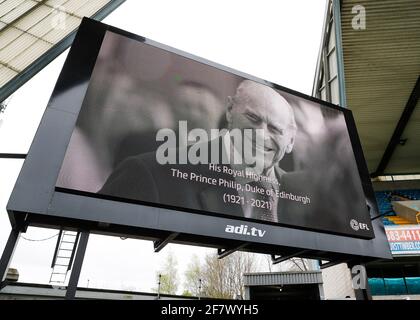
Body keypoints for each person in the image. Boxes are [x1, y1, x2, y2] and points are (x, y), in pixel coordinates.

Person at [99, 80, 297, 223]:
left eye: (275, 129)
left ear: (291, 141)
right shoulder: (147, 172)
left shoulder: (304, 195)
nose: (261, 135)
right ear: (229, 110)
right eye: (253, 118)